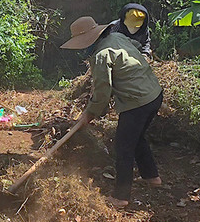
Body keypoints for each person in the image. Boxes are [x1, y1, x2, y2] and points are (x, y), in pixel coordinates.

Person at [62, 16, 163, 208]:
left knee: (123, 147)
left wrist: (89, 114)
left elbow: (102, 90)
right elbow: (136, 47)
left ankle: (121, 197)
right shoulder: (117, 38)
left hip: (137, 102)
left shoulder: (102, 55)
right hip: (154, 95)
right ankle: (152, 177)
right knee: (137, 137)